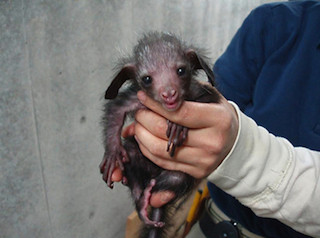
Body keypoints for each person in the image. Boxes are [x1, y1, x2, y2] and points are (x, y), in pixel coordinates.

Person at [113, 1, 320, 237]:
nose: (167, 90)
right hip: (214, 220)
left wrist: (242, 154)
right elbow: (216, 103)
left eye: (179, 71)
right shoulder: (275, 21)